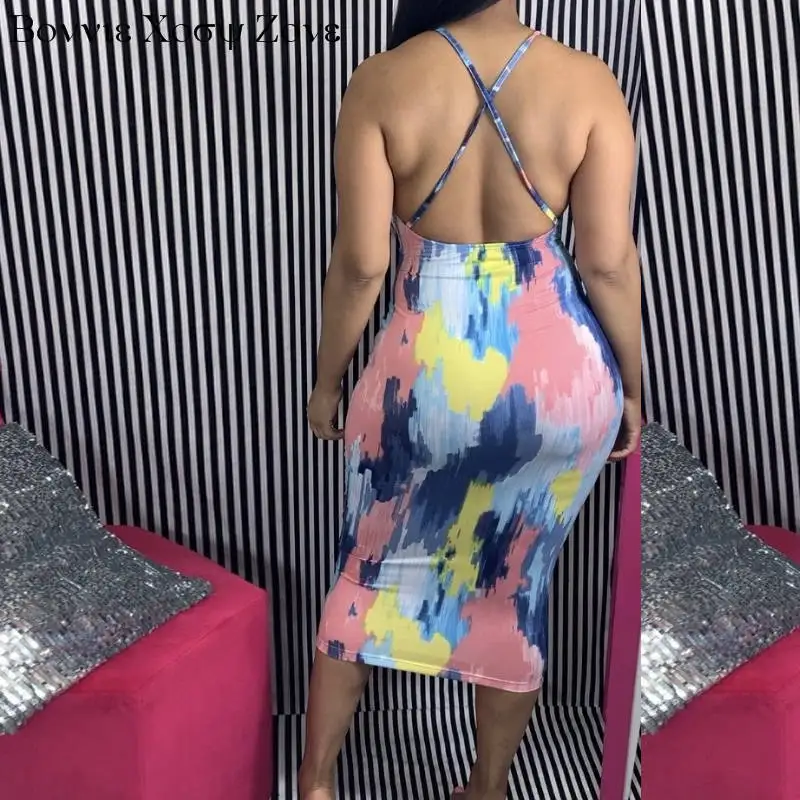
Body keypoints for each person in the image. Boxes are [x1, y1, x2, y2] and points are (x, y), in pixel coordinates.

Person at [302, 0, 642, 797]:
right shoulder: (588, 81)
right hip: (557, 387)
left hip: (425, 383)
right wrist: (631, 386)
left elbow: (361, 264)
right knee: (512, 587)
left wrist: (327, 383)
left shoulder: (381, 81)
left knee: (367, 576)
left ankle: (315, 784)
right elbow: (608, 262)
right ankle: (487, 788)